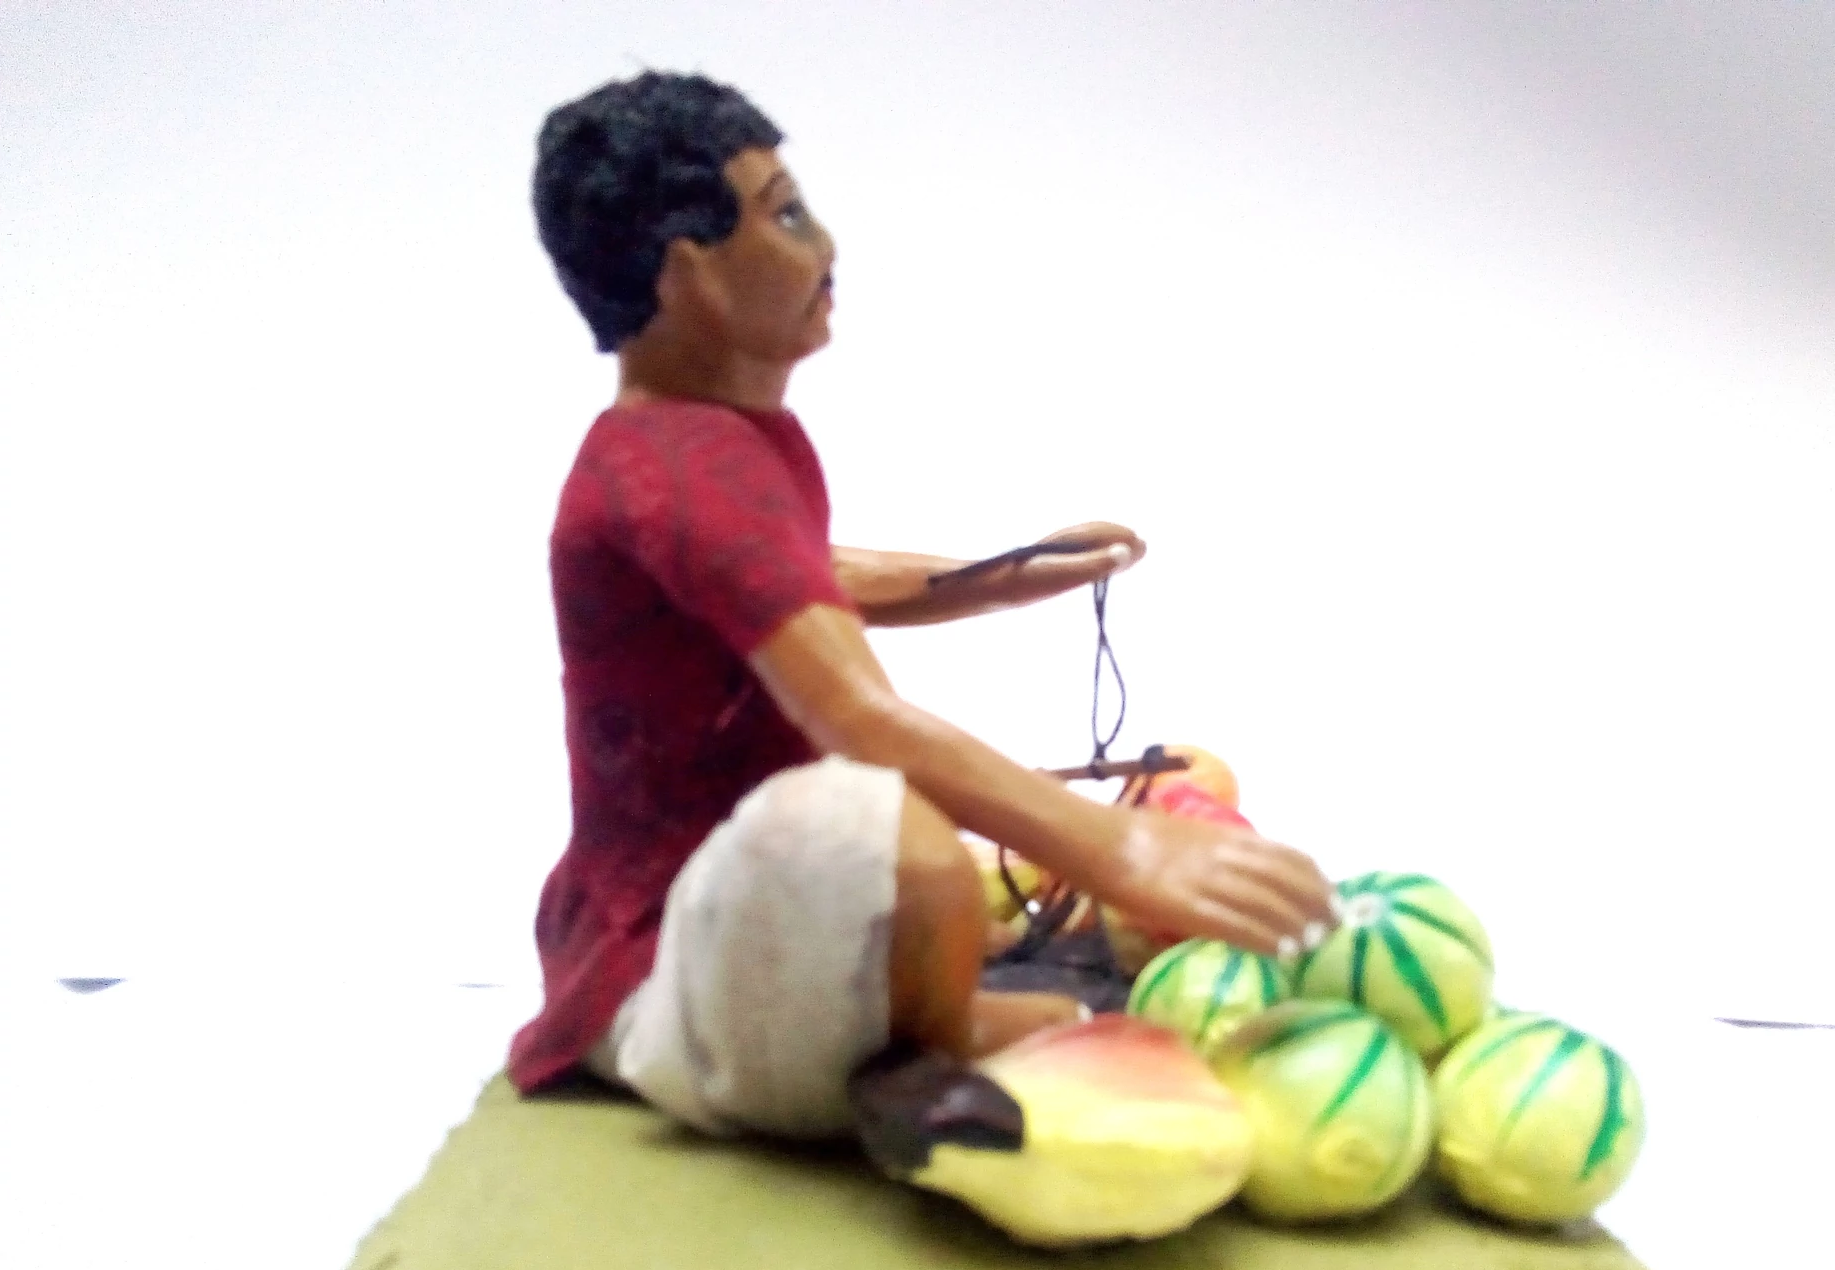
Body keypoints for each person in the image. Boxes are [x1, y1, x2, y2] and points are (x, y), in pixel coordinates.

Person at [508, 72, 1336, 1142]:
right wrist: (1119, 851)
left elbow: (802, 576)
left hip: (683, 920)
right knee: (892, 830)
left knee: (926, 854)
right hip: (673, 970)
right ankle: (893, 1060)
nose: (825, 246)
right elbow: (859, 717)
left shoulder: (688, 444)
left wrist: (1001, 573)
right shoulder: (686, 461)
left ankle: (904, 1025)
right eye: (785, 217)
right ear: (689, 275)